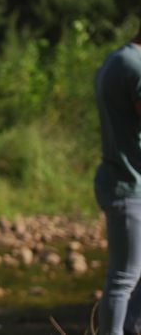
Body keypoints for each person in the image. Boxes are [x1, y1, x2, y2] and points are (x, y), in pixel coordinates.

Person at [94, 23, 141, 335]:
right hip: (131, 186)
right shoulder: (133, 66)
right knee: (124, 278)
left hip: (119, 179)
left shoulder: (116, 59)